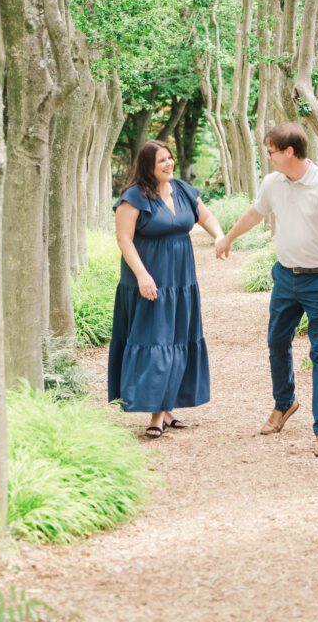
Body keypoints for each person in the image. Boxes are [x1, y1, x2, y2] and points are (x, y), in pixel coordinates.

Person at [215, 122, 318, 457]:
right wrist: (228, 237)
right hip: (285, 277)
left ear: (289, 151)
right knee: (277, 343)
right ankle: (284, 403)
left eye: (270, 150)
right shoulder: (273, 182)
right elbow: (256, 214)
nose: (267, 156)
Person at [109, 139, 224, 438]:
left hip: (182, 281)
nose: (169, 163)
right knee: (156, 340)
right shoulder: (133, 197)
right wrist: (143, 276)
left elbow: (206, 216)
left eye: (170, 158)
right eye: (162, 160)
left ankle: (168, 406)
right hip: (150, 279)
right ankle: (156, 414)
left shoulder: (183, 190)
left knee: (177, 340)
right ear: (148, 165)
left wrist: (219, 236)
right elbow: (124, 240)